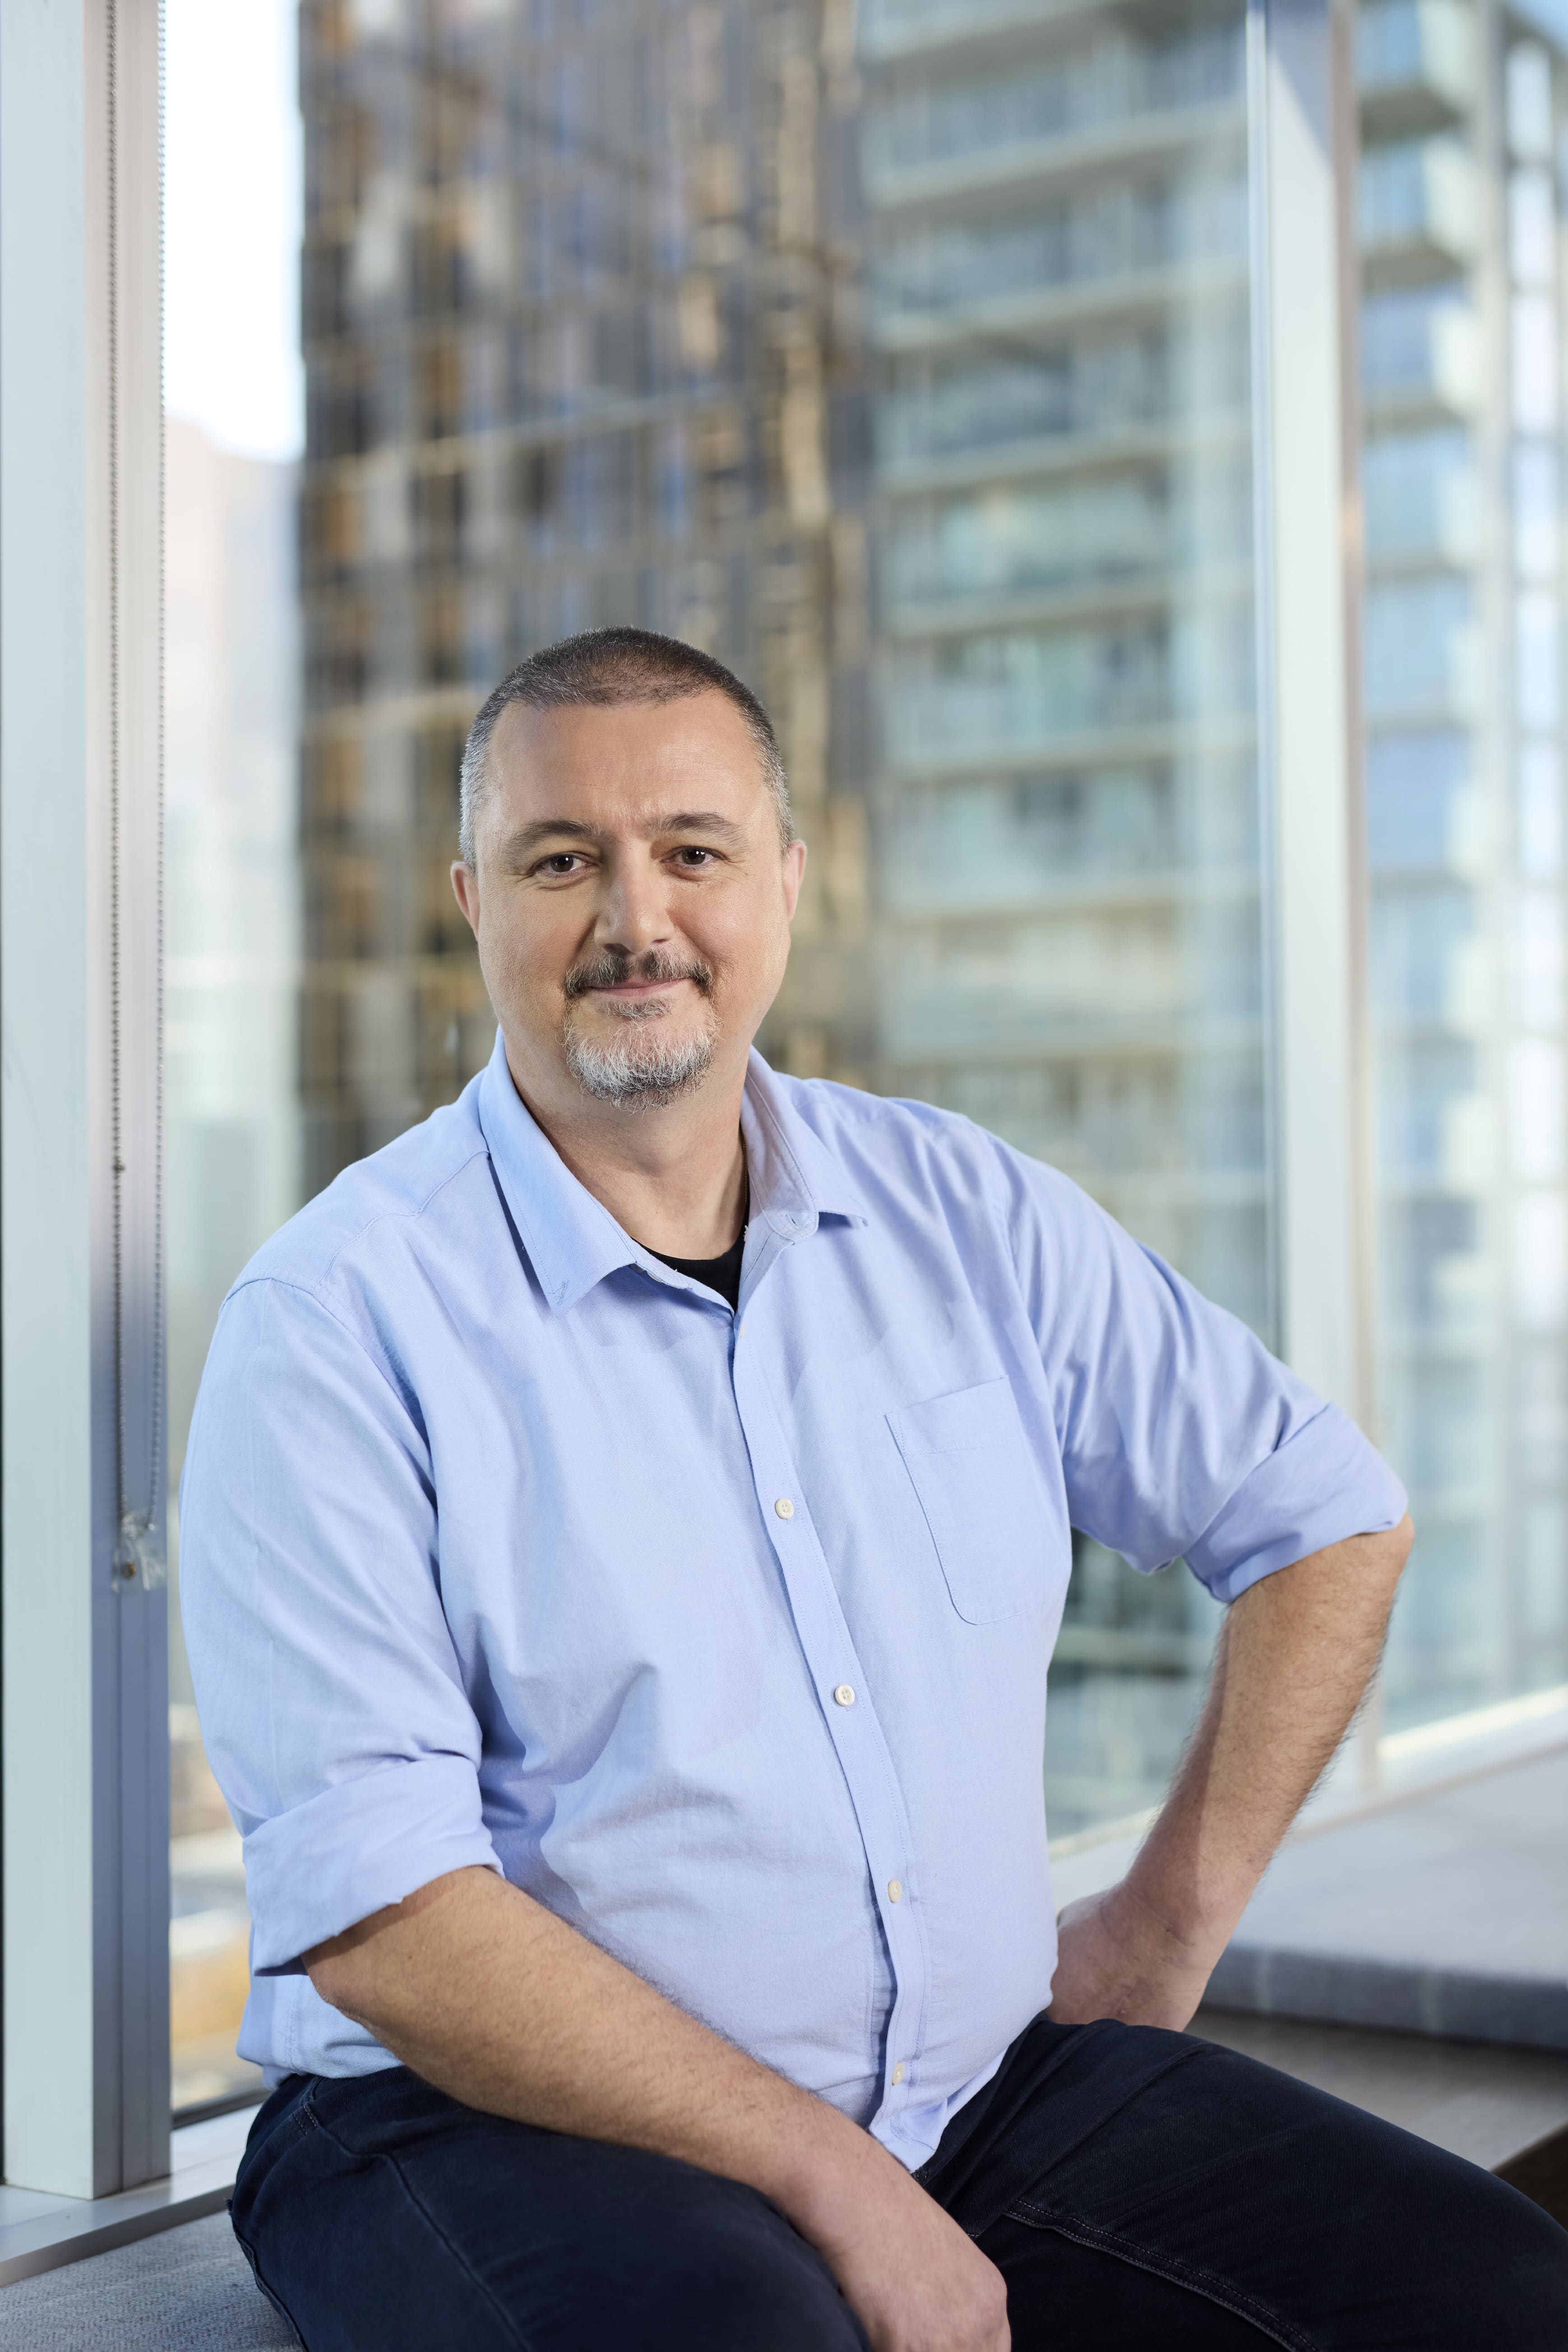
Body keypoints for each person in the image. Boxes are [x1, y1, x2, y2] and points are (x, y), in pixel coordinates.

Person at [182, 627, 1568, 2352]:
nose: (637, 920)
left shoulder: (959, 1209)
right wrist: (830, 2179)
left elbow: (1325, 1515)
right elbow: (386, 1916)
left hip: (971, 2091)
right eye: (564, 862)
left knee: (1498, 2294)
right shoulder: (334, 1322)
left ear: (784, 880)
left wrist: (1159, 1927)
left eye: (692, 851)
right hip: (467, 2121)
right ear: (473, 897)